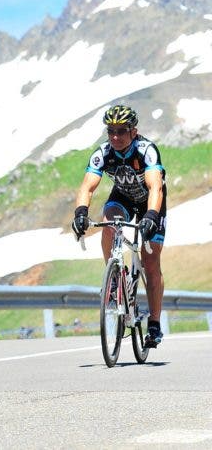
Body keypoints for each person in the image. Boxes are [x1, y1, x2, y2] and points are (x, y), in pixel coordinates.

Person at [71, 104, 166, 348]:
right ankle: (114, 278)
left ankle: (154, 324)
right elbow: (87, 187)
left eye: (121, 131)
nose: (115, 137)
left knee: (151, 262)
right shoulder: (103, 153)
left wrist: (152, 216)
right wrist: (81, 212)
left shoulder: (146, 150)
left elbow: (155, 186)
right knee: (109, 223)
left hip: (150, 202)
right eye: (110, 131)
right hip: (122, 197)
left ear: (134, 132)